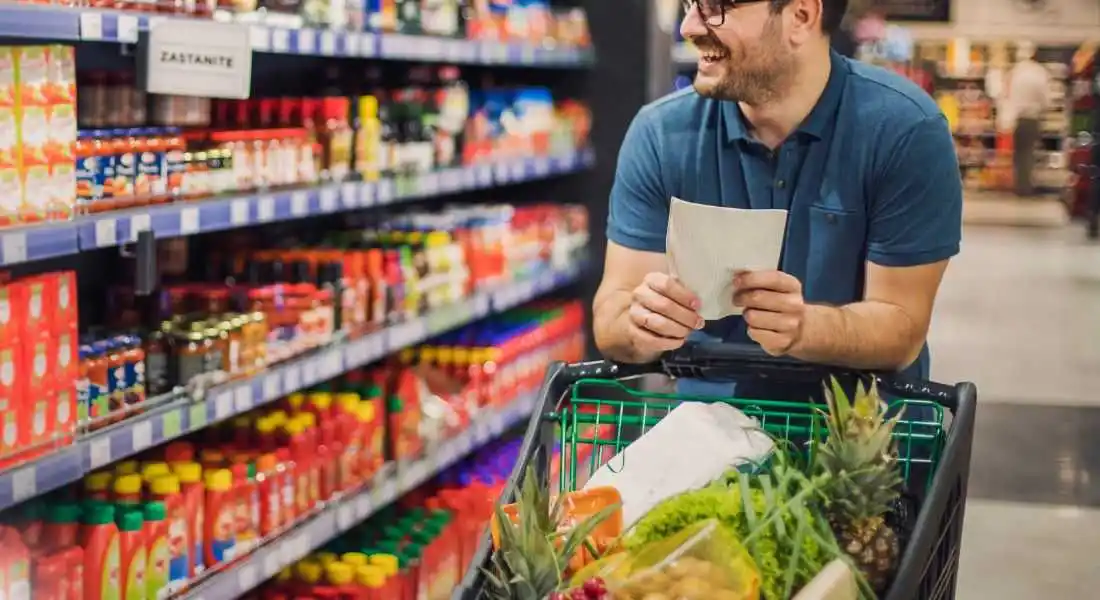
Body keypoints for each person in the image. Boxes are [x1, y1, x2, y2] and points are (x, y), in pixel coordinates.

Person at [592, 0, 963, 400]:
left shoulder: (904, 131)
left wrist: (804, 327)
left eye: (717, 7)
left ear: (800, 16)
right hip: (707, 439)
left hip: (863, 437)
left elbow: (902, 326)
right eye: (689, 4)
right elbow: (611, 316)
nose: (688, 27)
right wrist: (641, 323)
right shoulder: (661, 134)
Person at [1005, 42, 1050, 197]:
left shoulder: (1015, 72)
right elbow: (1045, 99)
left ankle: (1019, 186)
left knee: (1018, 154)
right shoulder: (1039, 72)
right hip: (1032, 118)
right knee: (1029, 153)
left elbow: (1008, 96)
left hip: (1017, 119)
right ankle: (1027, 188)